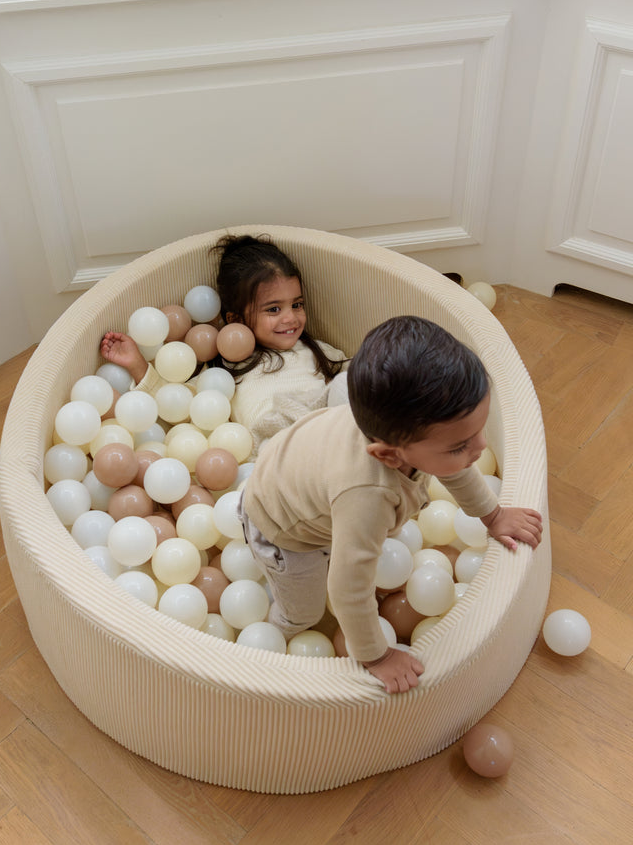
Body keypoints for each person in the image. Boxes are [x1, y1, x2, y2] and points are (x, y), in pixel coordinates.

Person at [238, 315, 543, 694]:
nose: (479, 448)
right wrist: (377, 656)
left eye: (478, 431)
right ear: (388, 456)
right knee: (306, 612)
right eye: (460, 445)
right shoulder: (367, 496)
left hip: (298, 475)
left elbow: (457, 469)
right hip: (280, 527)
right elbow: (348, 588)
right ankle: (273, 636)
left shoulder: (405, 436)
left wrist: (493, 516)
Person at [100, 234, 348, 451]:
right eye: (273, 309)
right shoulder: (223, 368)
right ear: (236, 319)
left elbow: (354, 377)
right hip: (275, 442)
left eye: (297, 305)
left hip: (324, 424)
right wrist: (137, 364)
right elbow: (176, 405)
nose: (291, 317)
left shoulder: (315, 349)